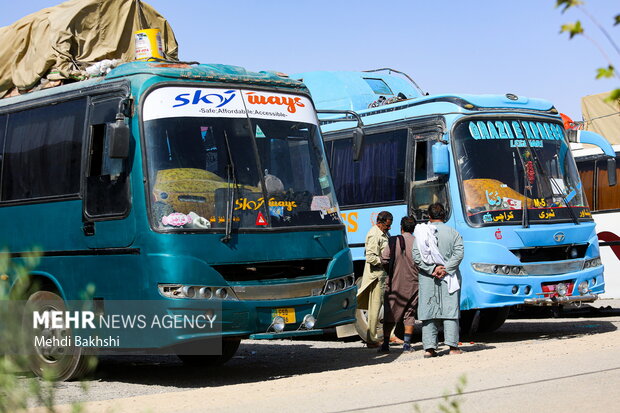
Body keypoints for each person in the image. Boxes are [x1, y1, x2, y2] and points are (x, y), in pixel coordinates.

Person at [412, 203, 464, 358]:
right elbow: (459, 253)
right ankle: (453, 347)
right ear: (444, 216)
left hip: (429, 278)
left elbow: (416, 256)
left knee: (428, 312)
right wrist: (446, 268)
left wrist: (432, 269)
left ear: (429, 216)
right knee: (450, 311)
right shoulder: (453, 233)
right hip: (450, 277)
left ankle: (429, 349)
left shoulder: (421, 234)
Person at [379, 216, 419, 353]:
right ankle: (407, 345)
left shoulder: (393, 241)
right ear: (414, 228)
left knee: (390, 313)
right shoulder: (417, 242)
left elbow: (384, 259)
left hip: (394, 283)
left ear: (401, 227)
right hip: (414, 283)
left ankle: (385, 345)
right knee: (410, 313)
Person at [357, 211, 393, 347]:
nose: (389, 228)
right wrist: (384, 261)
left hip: (383, 275)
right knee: (375, 308)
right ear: (380, 222)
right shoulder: (374, 234)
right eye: (387, 225)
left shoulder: (384, 233)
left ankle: (387, 335)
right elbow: (370, 257)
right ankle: (371, 339)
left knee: (385, 306)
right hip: (376, 276)